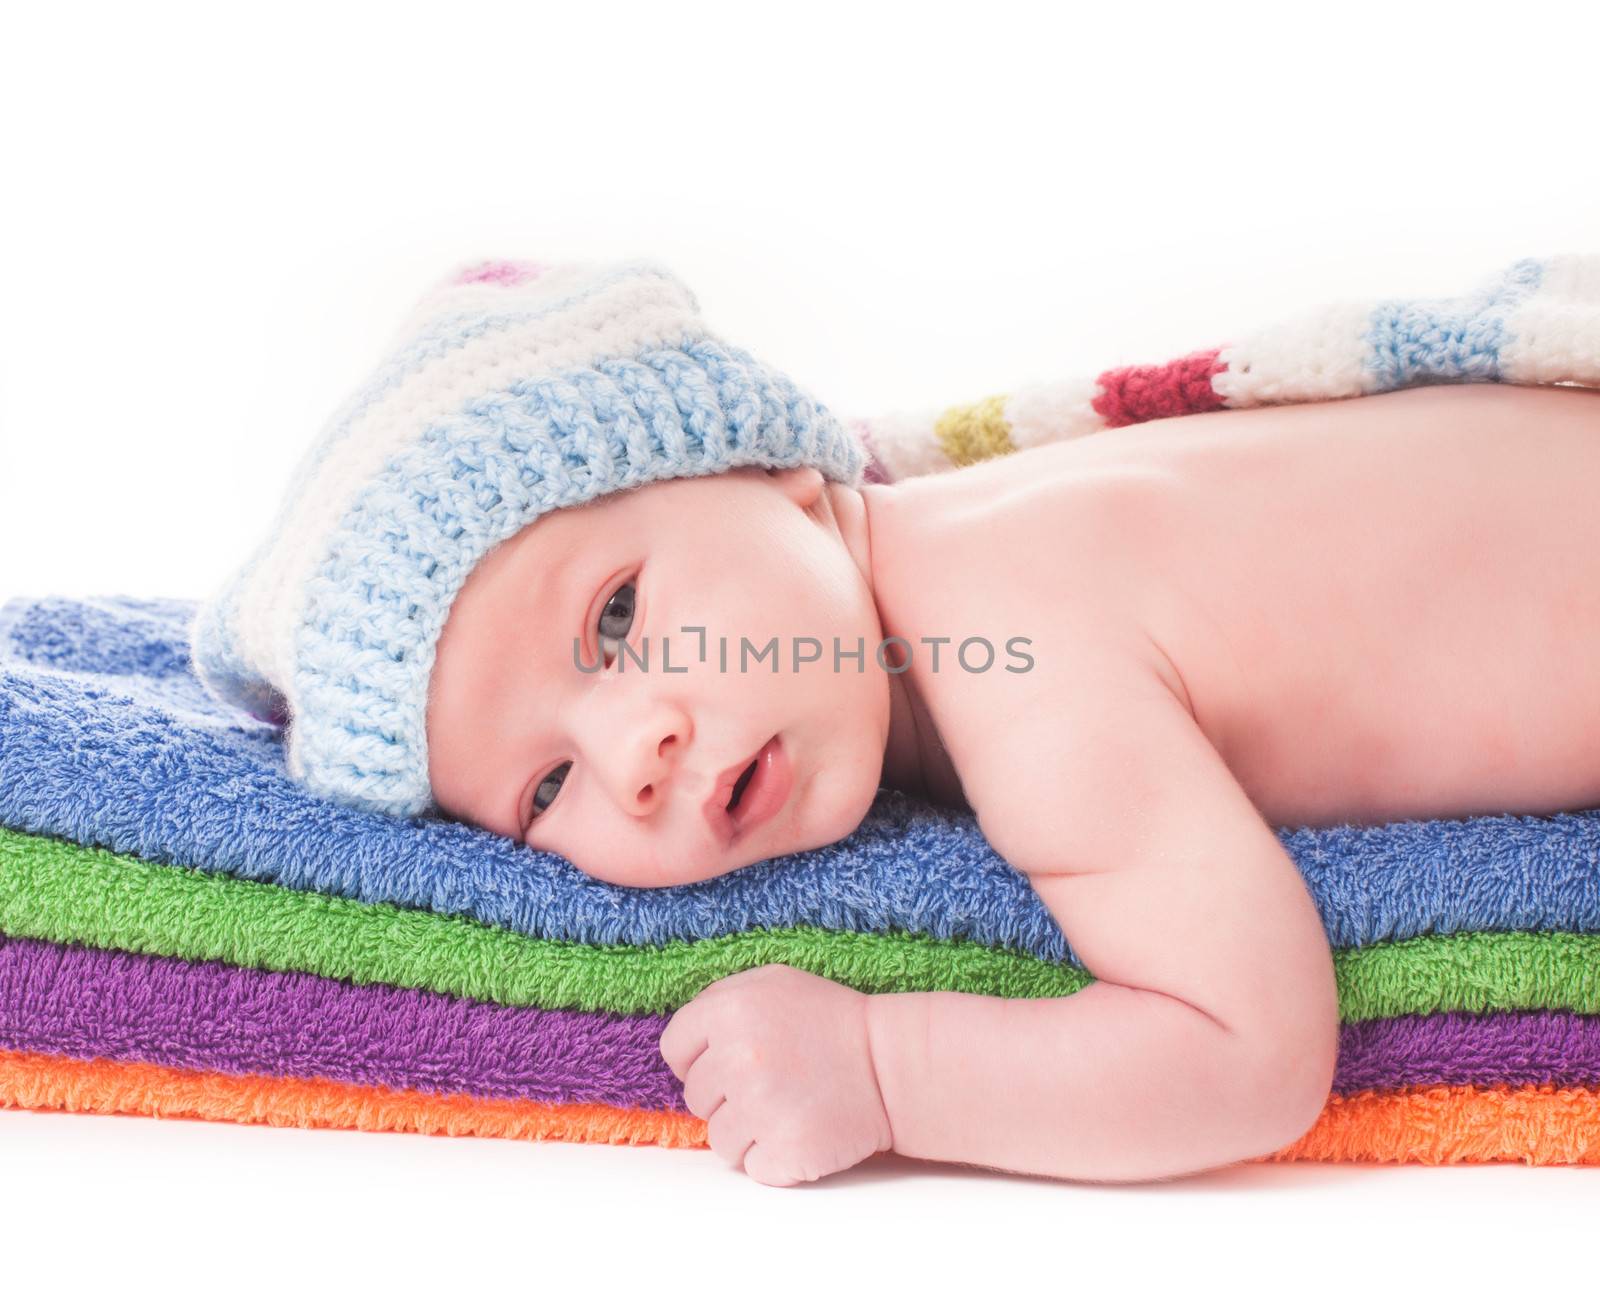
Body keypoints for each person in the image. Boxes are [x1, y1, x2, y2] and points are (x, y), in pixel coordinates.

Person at [192, 255, 1600, 1187]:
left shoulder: (1017, 644)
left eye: (617, 618)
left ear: (782, 478)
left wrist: (887, 1068)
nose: (634, 753)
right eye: (544, 786)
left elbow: (1251, 1047)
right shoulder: (942, 551)